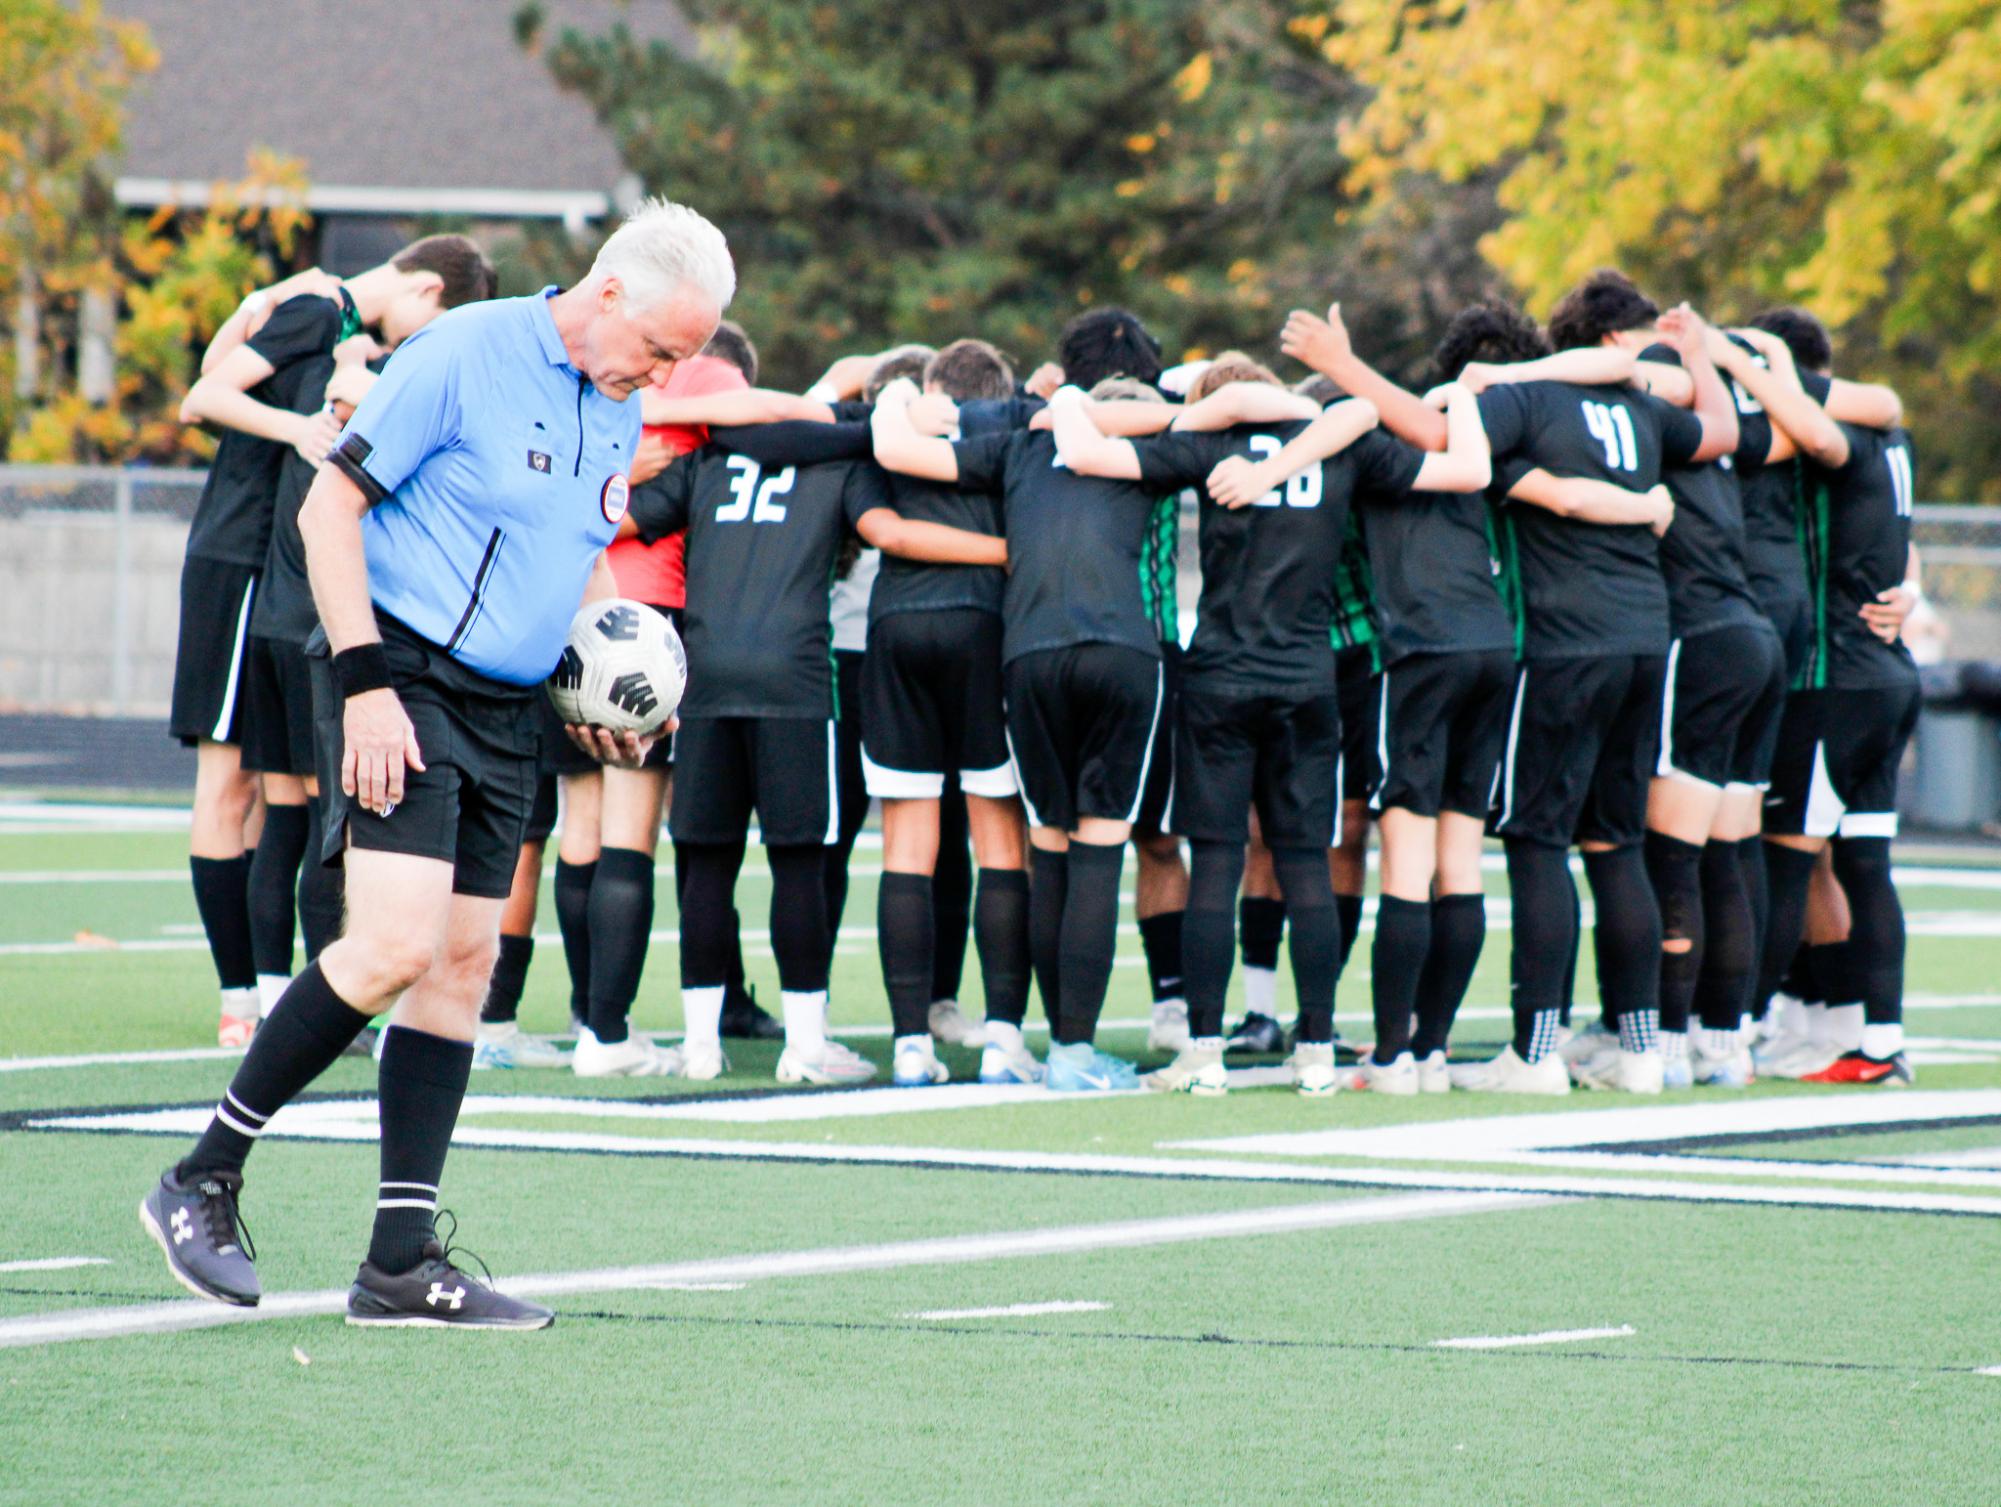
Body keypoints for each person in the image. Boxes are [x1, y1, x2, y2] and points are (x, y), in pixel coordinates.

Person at [141, 198, 735, 1329]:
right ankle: (199, 1177)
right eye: (662, 348)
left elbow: (583, 562)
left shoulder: (618, 403)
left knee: (463, 967)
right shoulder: (459, 351)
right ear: (609, 294)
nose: (664, 372)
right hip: (397, 673)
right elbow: (328, 511)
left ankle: (399, 1264)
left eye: (688, 357)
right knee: (393, 947)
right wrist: (364, 685)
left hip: (510, 703)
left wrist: (612, 683)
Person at [1053, 354, 1492, 1095]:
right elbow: (1466, 470)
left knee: (1217, 865)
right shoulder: (1338, 442)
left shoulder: (1209, 443)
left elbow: (1082, 450)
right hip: (1306, 679)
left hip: (1220, 675)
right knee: (1303, 865)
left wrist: (1064, 393)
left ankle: (1203, 1050)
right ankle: (1315, 1048)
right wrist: (1468, 397)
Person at [624, 376, 1009, 1084]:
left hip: (705, 681)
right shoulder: (841, 457)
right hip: (795, 682)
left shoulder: (707, 459)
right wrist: (1006, 553)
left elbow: (616, 521)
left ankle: (701, 1047)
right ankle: (804, 1047)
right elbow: (888, 533)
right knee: (799, 865)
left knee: (705, 868)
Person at [174, 240, 494, 1044]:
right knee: (235, 791)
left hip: (282, 567)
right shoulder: (325, 314)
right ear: (425, 288)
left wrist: (271, 302)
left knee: (285, 799)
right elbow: (201, 396)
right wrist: (298, 424)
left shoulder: (339, 326)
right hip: (246, 562)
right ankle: (241, 996)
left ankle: (277, 993)